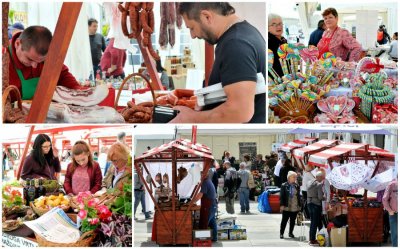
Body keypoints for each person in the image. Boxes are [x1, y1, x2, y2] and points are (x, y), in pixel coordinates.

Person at [171, 3, 266, 123]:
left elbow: (240, 111)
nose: (193, 35)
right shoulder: (245, 33)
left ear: (206, 17)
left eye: (192, 28)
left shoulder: (235, 43)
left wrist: (191, 117)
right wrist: (209, 101)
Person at [6, 26, 84, 101]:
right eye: (29, 59)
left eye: (41, 61)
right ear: (17, 44)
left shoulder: (47, 56)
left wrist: (80, 94)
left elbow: (62, 75)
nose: (34, 66)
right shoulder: (4, 61)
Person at [280, 171, 301, 239]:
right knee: (284, 221)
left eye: (295, 177)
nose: (295, 178)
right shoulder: (284, 185)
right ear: (289, 177)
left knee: (293, 221)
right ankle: (281, 233)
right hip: (286, 206)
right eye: (293, 177)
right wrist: (282, 205)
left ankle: (290, 233)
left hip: (294, 206)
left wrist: (299, 205)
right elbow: (282, 196)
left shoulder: (297, 185)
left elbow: (298, 196)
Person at [198, 171, 218, 242]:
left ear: (204, 175)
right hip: (213, 204)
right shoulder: (208, 180)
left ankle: (203, 239)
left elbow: (200, 194)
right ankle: (214, 238)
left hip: (209, 205)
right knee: (212, 222)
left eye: (200, 175)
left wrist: (192, 201)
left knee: (205, 222)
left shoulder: (205, 182)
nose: (200, 176)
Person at [307, 171, 325, 246]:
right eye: (322, 177)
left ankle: (311, 238)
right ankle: (313, 240)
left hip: (309, 203)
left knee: (312, 222)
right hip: (316, 204)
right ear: (319, 177)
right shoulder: (319, 184)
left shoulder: (309, 182)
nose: (323, 179)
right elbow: (320, 197)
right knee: (314, 223)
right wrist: (324, 197)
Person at [382, 178, 398, 247]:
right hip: (394, 214)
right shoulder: (392, 185)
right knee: (395, 234)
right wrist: (390, 210)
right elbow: (384, 199)